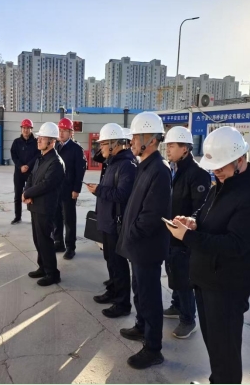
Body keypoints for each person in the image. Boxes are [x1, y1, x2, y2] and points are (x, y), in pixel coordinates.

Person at [166, 126, 250, 384]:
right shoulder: (222, 185)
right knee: (214, 346)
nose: (217, 172)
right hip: (205, 280)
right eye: (213, 168)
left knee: (225, 352)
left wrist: (188, 237)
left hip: (226, 289)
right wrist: (192, 222)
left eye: (221, 166)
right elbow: (205, 213)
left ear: (241, 159)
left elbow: (235, 245)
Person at [116, 112, 171, 370]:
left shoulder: (160, 170)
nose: (132, 142)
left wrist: (131, 233)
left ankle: (153, 348)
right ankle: (141, 326)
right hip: (137, 246)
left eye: (136, 137)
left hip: (147, 248)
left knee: (150, 297)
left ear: (150, 139)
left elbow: (152, 215)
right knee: (139, 290)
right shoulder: (144, 166)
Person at [162, 126, 211, 339]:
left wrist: (187, 226)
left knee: (183, 278)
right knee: (173, 271)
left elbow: (200, 209)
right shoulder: (174, 169)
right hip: (171, 231)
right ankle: (176, 306)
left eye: (172, 146)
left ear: (185, 148)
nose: (167, 149)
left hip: (183, 235)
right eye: (167, 145)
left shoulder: (197, 174)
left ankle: (188, 319)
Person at [86, 123, 137, 318]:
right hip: (107, 221)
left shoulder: (126, 165)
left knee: (119, 264)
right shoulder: (112, 162)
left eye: (103, 143)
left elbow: (123, 194)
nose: (100, 148)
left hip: (116, 223)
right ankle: (113, 291)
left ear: (114, 143)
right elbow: (98, 158)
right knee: (110, 261)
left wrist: (99, 190)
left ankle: (122, 303)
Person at [23, 122, 66, 287]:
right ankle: (43, 267)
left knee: (45, 241)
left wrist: (28, 193)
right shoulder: (41, 158)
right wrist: (27, 192)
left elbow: (46, 185)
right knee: (37, 239)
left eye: (43, 138)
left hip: (45, 207)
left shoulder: (56, 162)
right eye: (39, 137)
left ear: (52, 141)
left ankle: (52, 273)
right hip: (35, 205)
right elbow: (31, 177)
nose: (38, 140)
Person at [53, 117, 87, 259]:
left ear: (71, 132)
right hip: (56, 189)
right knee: (56, 217)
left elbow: (80, 170)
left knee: (69, 219)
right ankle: (58, 242)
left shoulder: (76, 149)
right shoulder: (55, 146)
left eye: (65, 130)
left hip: (69, 189)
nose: (61, 133)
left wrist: (76, 189)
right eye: (60, 130)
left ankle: (70, 247)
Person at [10, 119, 39, 224]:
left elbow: (38, 155)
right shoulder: (16, 142)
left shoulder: (36, 142)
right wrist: (20, 166)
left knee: (31, 194)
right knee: (18, 195)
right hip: (19, 172)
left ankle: (33, 217)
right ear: (21, 129)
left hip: (32, 172)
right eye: (24, 128)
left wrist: (28, 165)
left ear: (31, 129)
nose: (26, 130)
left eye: (28, 128)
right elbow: (14, 156)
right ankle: (17, 217)